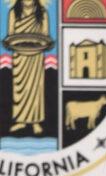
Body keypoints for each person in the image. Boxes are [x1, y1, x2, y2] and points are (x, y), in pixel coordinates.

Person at [7, 0, 49, 135]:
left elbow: (46, 36)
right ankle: (21, 121)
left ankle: (36, 122)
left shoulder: (43, 13)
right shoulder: (13, 12)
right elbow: (10, 35)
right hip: (19, 55)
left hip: (36, 55)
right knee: (19, 89)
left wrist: (37, 43)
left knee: (36, 88)